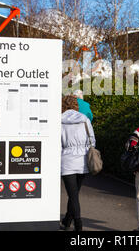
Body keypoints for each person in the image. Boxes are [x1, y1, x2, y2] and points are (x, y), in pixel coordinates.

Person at [60, 95, 96, 231]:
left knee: (72, 195)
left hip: (66, 161)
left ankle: (78, 224)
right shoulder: (85, 120)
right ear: (76, 105)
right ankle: (67, 221)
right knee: (74, 193)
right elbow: (92, 140)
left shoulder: (59, 121)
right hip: (83, 160)